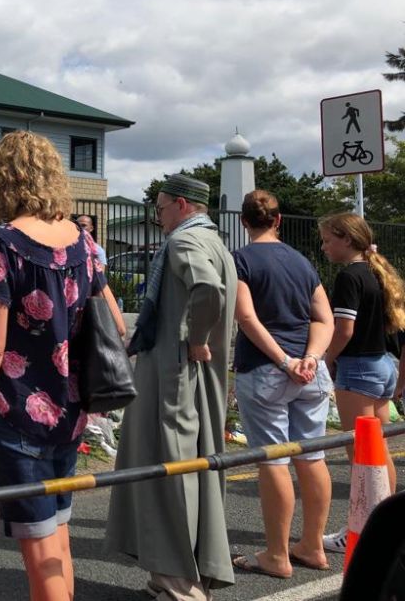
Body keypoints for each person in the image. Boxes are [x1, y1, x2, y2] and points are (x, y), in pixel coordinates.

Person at [0, 131, 106, 601]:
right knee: (58, 537)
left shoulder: (1, 245)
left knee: (39, 551)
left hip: (19, 413)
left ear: (0, 181)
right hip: (71, 409)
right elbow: (107, 319)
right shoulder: (81, 243)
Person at [106, 174, 237, 601]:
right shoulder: (215, 242)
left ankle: (182, 585)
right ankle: (173, 575)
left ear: (181, 205)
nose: (157, 218)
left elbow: (207, 290)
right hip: (192, 377)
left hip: (173, 376)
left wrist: (195, 339)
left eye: (160, 209)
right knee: (191, 465)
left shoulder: (184, 243)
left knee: (172, 469)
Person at [230, 190, 334, 578]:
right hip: (311, 372)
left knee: (274, 459)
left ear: (244, 222)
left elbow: (246, 317)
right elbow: (324, 318)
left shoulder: (240, 259)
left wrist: (285, 360)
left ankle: (277, 555)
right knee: (313, 455)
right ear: (279, 220)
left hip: (266, 370)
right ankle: (312, 545)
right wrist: (311, 357)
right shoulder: (302, 261)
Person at [317, 212, 405, 553]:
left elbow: (344, 329)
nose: (324, 247)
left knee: (362, 456)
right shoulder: (378, 273)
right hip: (383, 365)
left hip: (358, 369)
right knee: (380, 451)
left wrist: (326, 359)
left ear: (347, 240)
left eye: (327, 240)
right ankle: (389, 526)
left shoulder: (349, 277)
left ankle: (367, 529)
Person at [76, 212, 128, 338]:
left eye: (84, 225)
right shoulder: (74, 247)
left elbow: (100, 276)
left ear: (91, 228)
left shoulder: (96, 250)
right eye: (78, 225)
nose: (81, 229)